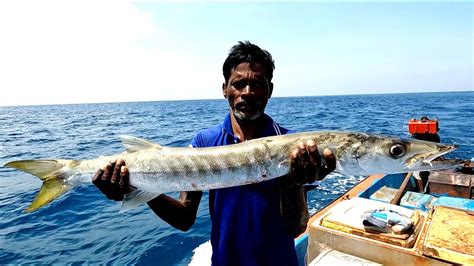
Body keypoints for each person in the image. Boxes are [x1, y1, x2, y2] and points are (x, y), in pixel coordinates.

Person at [92, 41, 336, 265]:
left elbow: (296, 228)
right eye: (239, 83)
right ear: (224, 89)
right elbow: (184, 218)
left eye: (257, 84)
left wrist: (294, 183)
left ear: (269, 90)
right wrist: (137, 189)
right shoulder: (204, 142)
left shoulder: (294, 146)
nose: (248, 92)